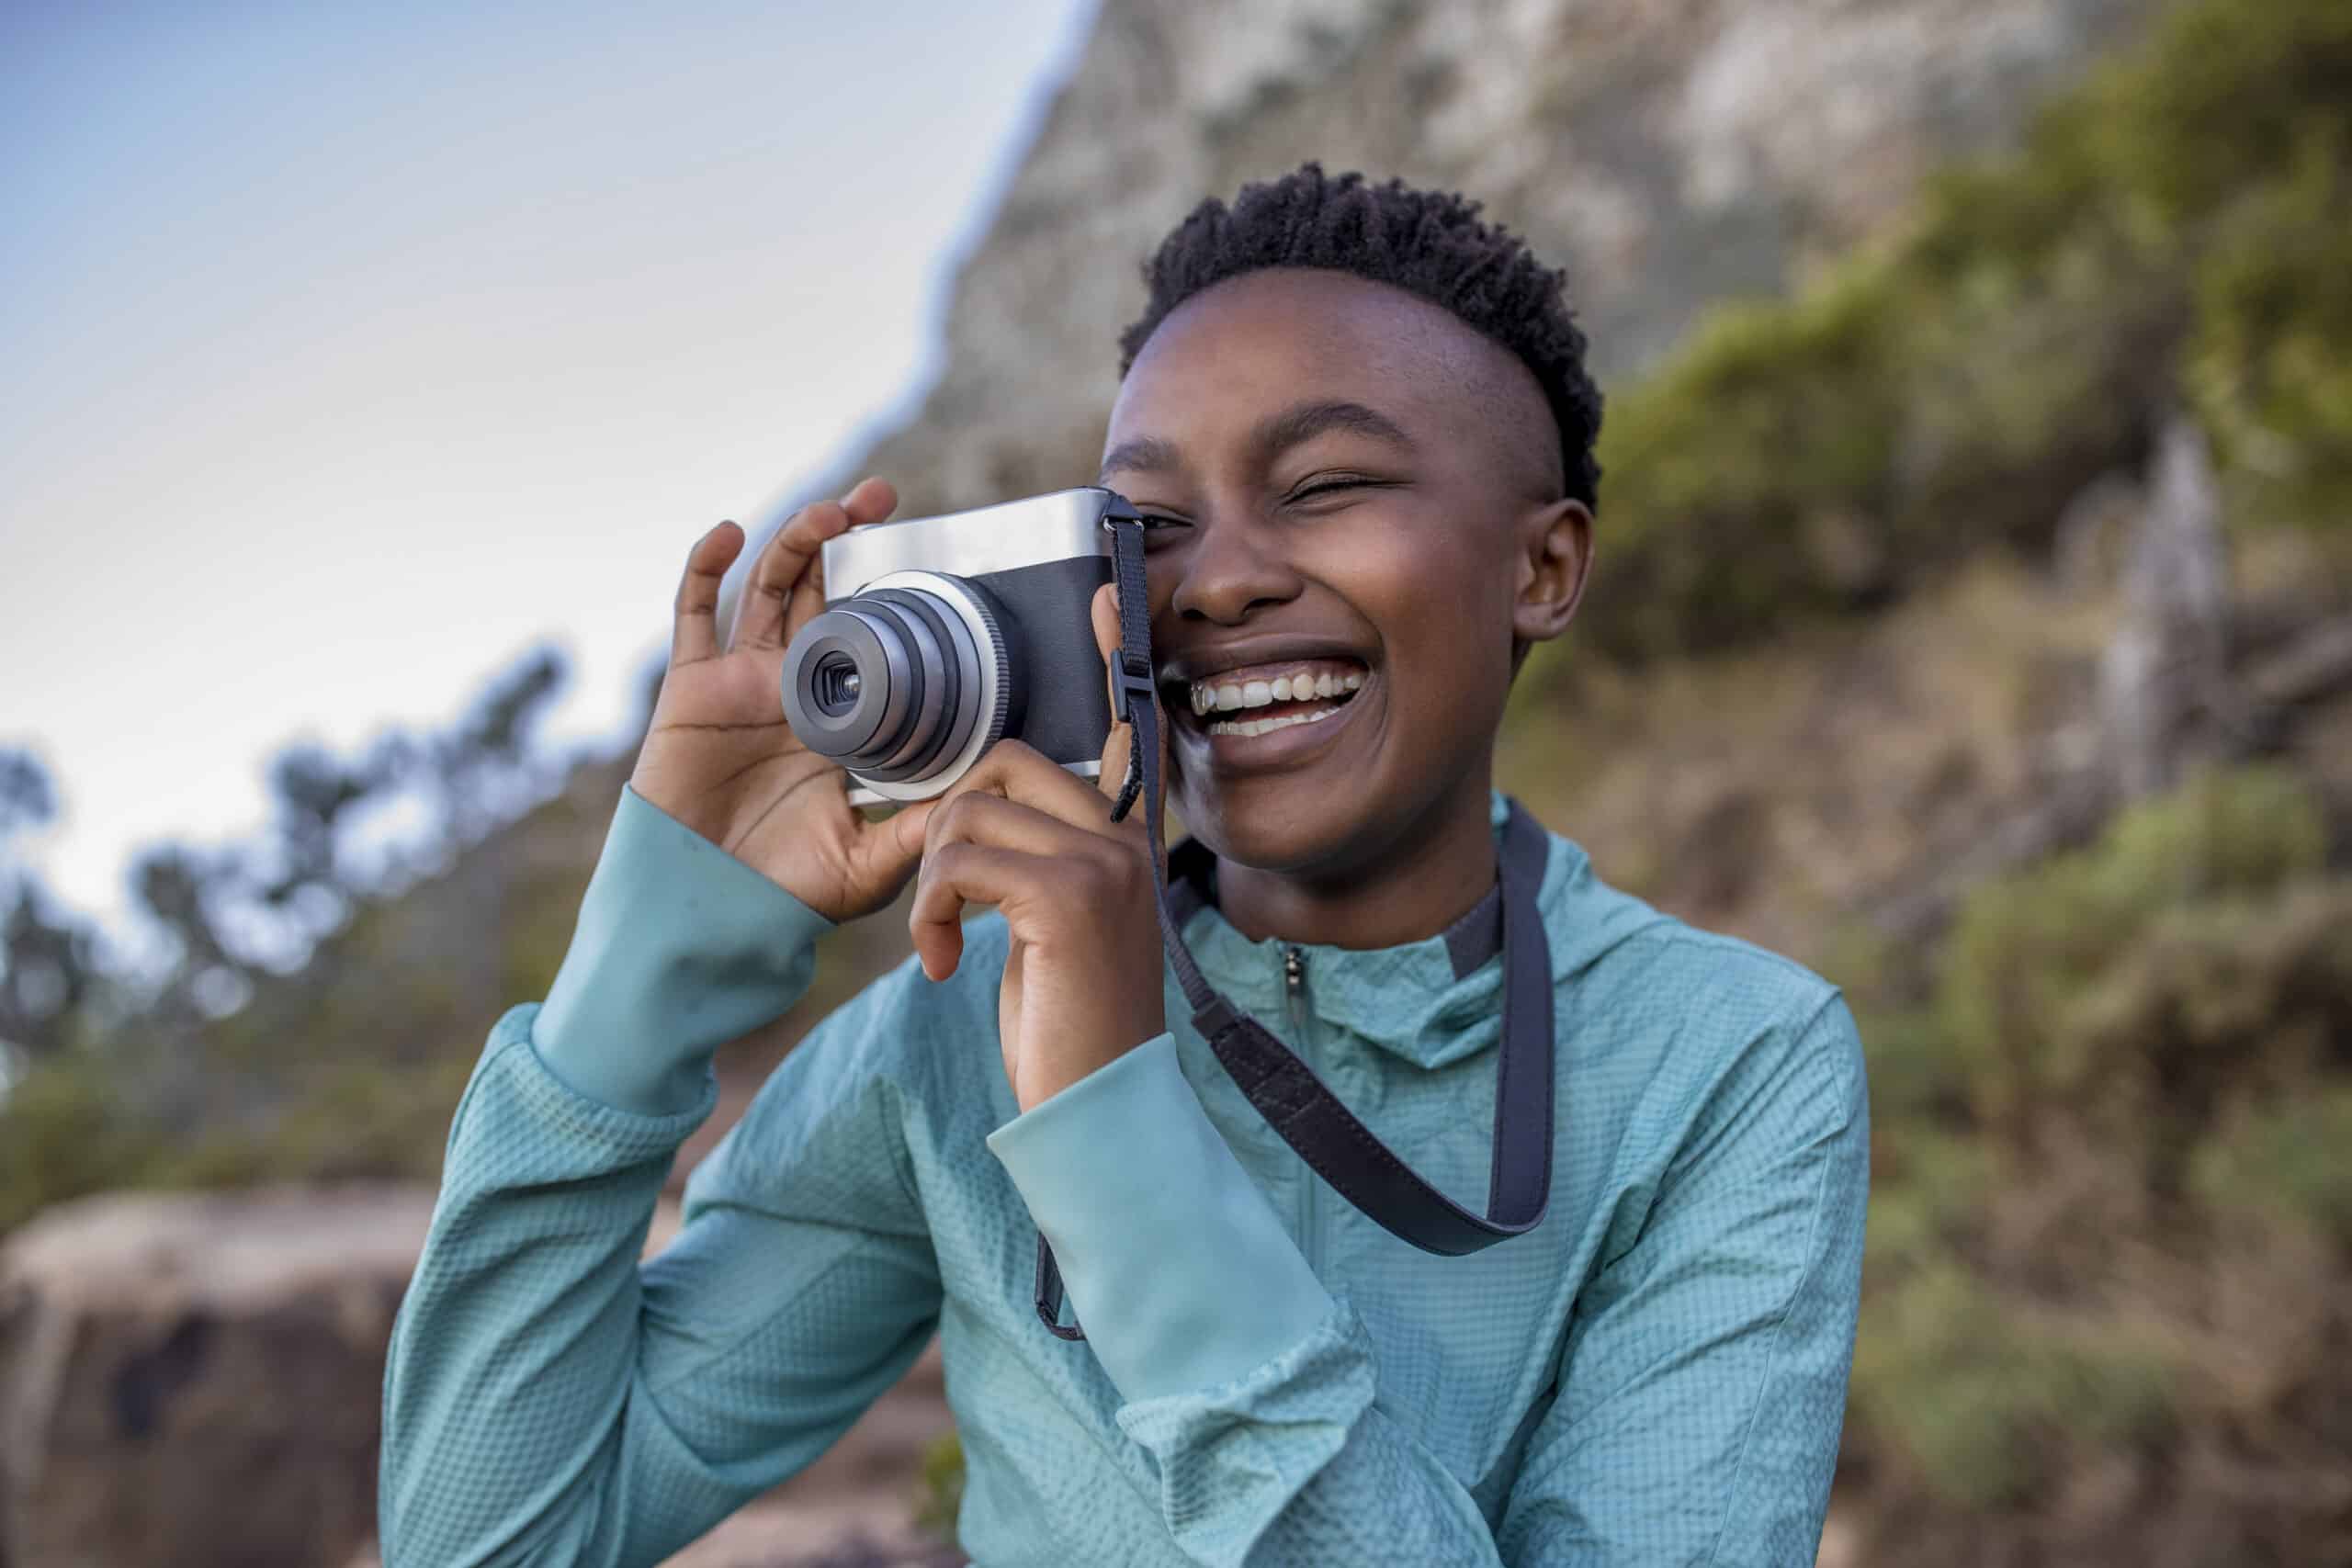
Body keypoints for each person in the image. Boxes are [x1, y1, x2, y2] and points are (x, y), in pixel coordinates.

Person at [378, 161, 1870, 1567]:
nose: (1212, 579)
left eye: (1329, 483)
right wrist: (657, 948)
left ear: (1541, 567)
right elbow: (489, 1538)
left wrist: (1113, 1131)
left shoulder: (1728, 1062)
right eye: (1144, 523)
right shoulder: (950, 1037)